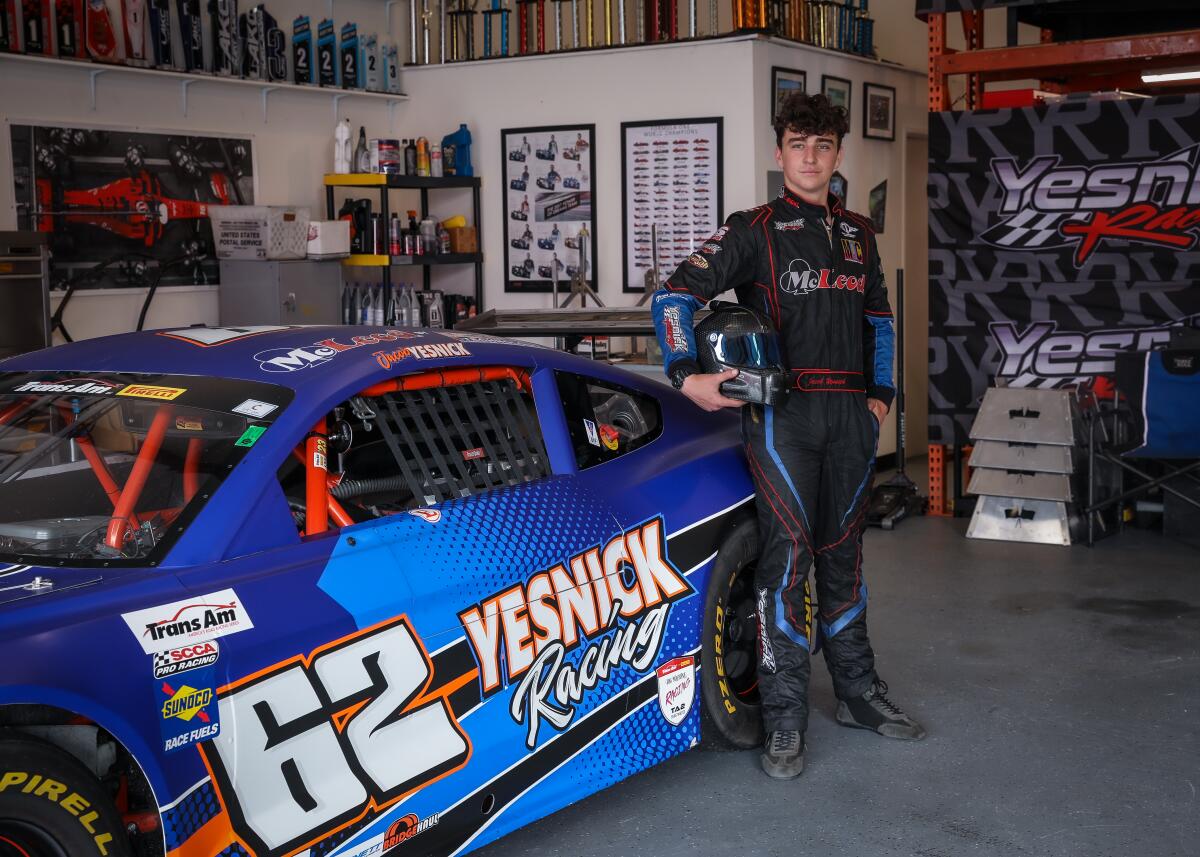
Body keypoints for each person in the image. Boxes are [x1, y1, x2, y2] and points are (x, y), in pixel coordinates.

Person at [651, 93, 924, 781]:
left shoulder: (860, 233)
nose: (811, 156)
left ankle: (859, 694)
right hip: (783, 419)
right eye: (799, 143)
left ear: (837, 155)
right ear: (780, 153)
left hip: (851, 420)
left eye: (824, 145)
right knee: (786, 565)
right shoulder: (754, 229)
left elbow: (881, 324)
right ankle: (784, 722)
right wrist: (688, 373)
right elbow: (674, 295)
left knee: (846, 558)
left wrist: (880, 400)